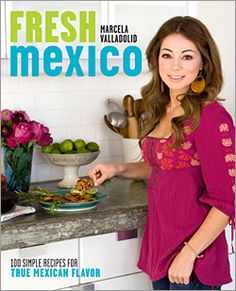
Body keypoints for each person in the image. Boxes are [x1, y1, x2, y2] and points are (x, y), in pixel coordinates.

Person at [88, 16, 235, 290]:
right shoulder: (161, 108)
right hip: (162, 250)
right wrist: (117, 169)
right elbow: (165, 165)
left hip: (193, 260)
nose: (175, 66)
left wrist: (190, 253)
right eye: (167, 55)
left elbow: (225, 202)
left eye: (187, 57)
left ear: (203, 62)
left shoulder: (212, 117)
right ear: (156, 59)